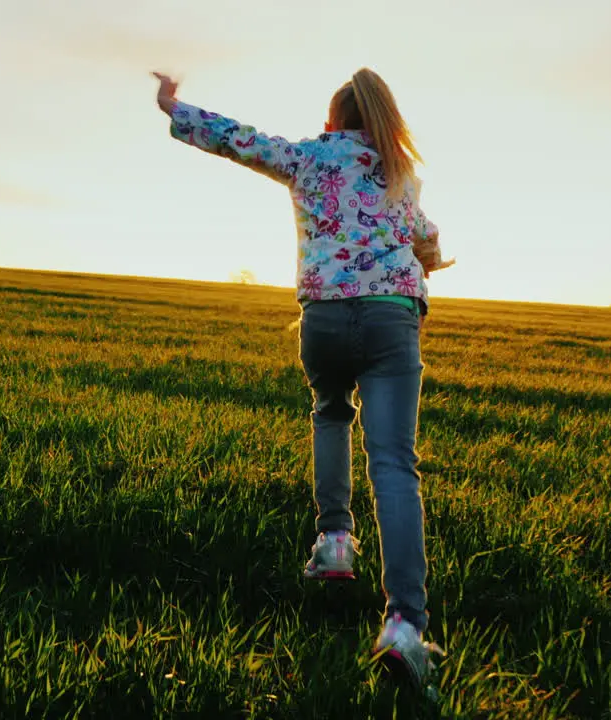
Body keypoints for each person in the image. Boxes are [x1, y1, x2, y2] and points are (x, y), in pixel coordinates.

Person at [152, 67, 450, 690]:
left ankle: (335, 539)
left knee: (331, 412)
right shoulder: (402, 174)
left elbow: (241, 139)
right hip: (393, 319)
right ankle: (403, 625)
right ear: (383, 121)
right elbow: (426, 240)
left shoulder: (309, 158)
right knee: (393, 461)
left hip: (324, 319)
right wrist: (428, 257)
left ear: (330, 123)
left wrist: (175, 107)